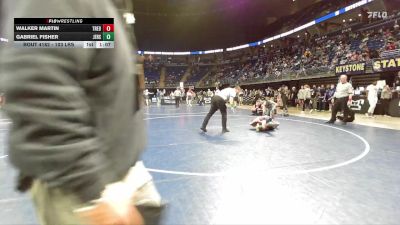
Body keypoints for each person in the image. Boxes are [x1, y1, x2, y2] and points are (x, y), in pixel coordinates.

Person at [0, 0, 162, 224]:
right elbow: (41, 96)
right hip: (84, 189)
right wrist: (97, 188)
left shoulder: (95, 8)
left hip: (118, 173)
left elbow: (92, 66)